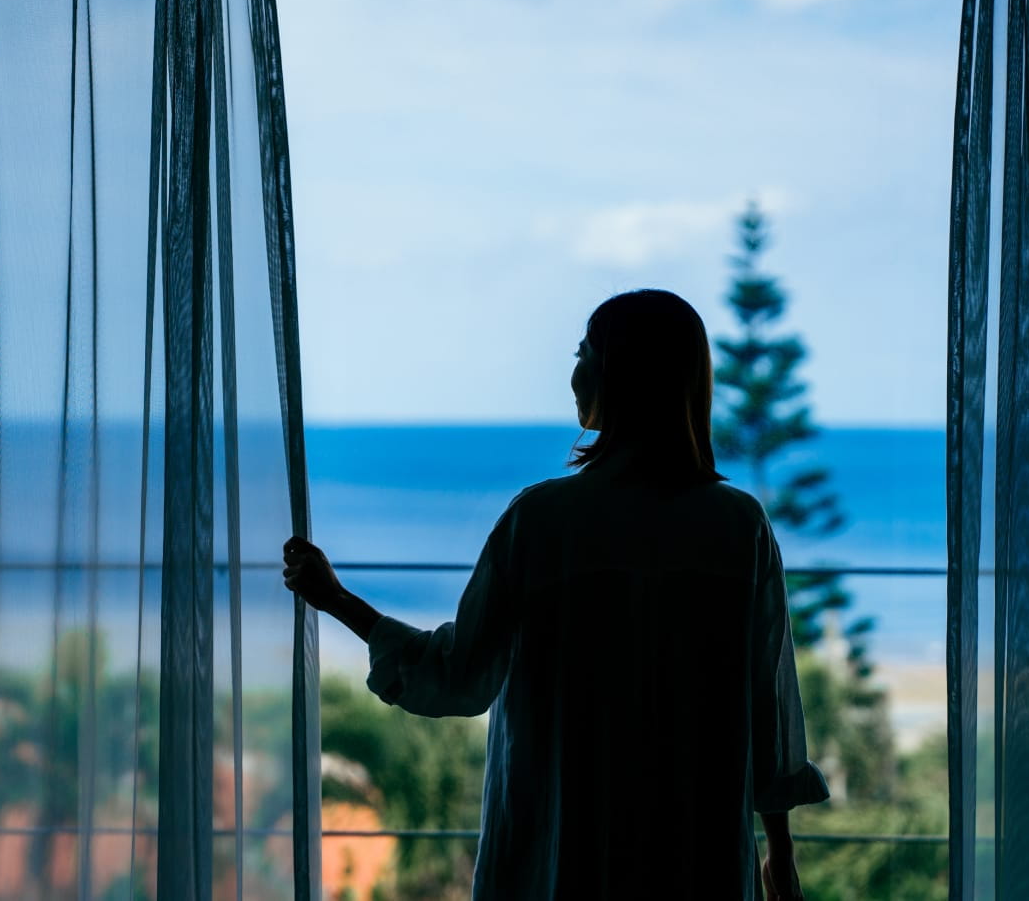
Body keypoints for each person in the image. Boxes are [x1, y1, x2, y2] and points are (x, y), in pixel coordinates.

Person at [282, 289, 829, 900]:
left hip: (559, 854)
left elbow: (459, 675)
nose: (574, 375)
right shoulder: (739, 526)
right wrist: (779, 852)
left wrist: (338, 601)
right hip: (695, 853)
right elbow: (768, 707)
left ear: (618, 374)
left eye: (584, 355)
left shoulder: (542, 522)